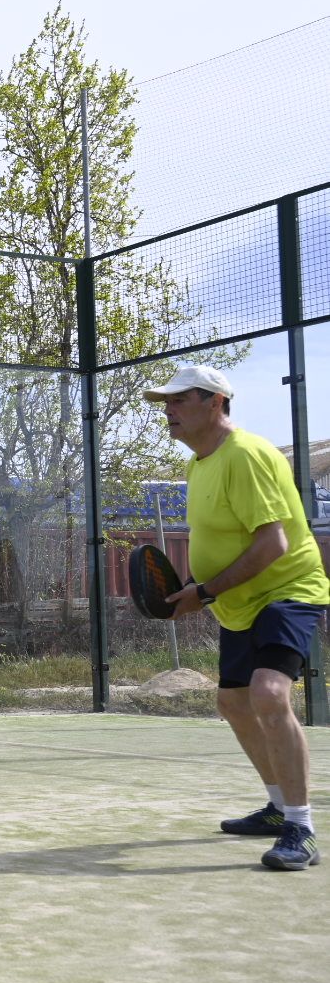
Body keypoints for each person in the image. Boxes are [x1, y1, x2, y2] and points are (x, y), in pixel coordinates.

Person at [147, 365, 330, 870]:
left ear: (215, 402)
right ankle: (277, 807)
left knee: (268, 693)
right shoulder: (198, 464)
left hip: (286, 590)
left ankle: (300, 827)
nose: (169, 410)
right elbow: (220, 538)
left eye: (179, 400)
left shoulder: (245, 454)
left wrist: (203, 593)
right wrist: (192, 588)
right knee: (232, 702)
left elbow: (274, 543)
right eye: (166, 402)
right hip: (237, 602)